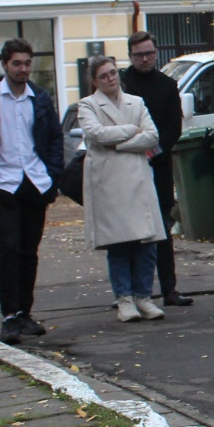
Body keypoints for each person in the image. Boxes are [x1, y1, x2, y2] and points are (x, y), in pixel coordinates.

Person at [0, 38, 62, 344]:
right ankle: (9, 316)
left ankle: (24, 314)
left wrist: (53, 175)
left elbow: (54, 140)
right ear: (4, 65)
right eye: (17, 63)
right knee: (9, 249)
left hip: (35, 182)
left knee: (29, 251)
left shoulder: (40, 99)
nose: (23, 69)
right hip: (3, 184)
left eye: (27, 63)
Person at [77, 56, 167, 323]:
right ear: (94, 80)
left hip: (138, 177)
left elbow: (152, 135)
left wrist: (121, 143)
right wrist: (130, 130)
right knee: (119, 244)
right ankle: (124, 298)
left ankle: (144, 296)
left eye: (113, 73)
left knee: (146, 242)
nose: (110, 78)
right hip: (109, 182)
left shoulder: (136, 102)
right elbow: (96, 134)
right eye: (103, 75)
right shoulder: (87, 105)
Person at [120, 30, 192, 307]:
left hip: (159, 165)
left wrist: (153, 151)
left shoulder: (167, 85)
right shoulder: (122, 84)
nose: (145, 58)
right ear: (131, 56)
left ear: (156, 53)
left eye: (149, 53)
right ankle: (129, 292)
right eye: (139, 55)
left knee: (162, 227)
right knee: (128, 231)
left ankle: (169, 289)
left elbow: (174, 127)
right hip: (127, 166)